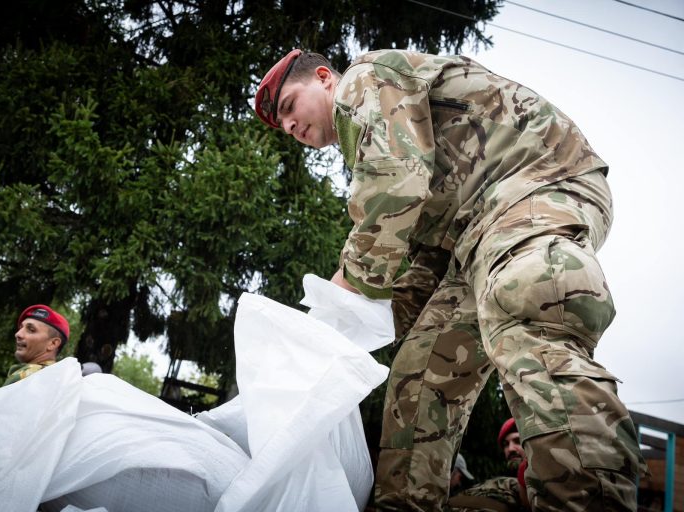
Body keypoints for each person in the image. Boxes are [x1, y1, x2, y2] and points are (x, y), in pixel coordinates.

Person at [254, 49, 646, 511]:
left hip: (534, 183)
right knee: (420, 375)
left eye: (288, 108)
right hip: (472, 240)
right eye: (284, 129)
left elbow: (396, 180)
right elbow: (427, 259)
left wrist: (350, 282)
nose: (291, 129)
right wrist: (350, 328)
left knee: (524, 301)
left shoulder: (363, 80)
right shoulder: (374, 135)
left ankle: (587, 501)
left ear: (323, 78)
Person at [3, 304, 70, 386]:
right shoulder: (59, 378)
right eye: (21, 328)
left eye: (31, 330)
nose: (18, 334)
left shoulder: (28, 378)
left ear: (53, 343)